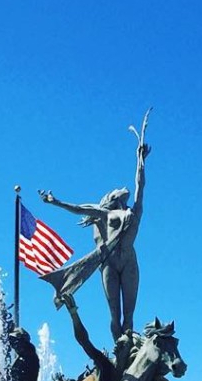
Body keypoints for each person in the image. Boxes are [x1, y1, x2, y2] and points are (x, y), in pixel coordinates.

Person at [39, 109, 151, 342]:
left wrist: (140, 160)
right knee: (114, 314)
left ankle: (128, 350)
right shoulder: (104, 213)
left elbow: (140, 183)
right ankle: (118, 349)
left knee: (128, 317)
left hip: (129, 263)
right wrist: (55, 202)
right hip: (109, 264)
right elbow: (80, 209)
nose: (123, 188)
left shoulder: (135, 209)